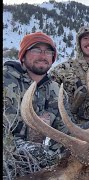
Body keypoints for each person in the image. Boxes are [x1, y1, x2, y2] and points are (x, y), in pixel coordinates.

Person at [3, 32, 72, 178]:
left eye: (48, 52)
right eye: (36, 50)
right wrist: (20, 152)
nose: (43, 56)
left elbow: (65, 133)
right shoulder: (5, 80)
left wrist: (59, 160)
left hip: (37, 163)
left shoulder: (56, 91)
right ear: (23, 55)